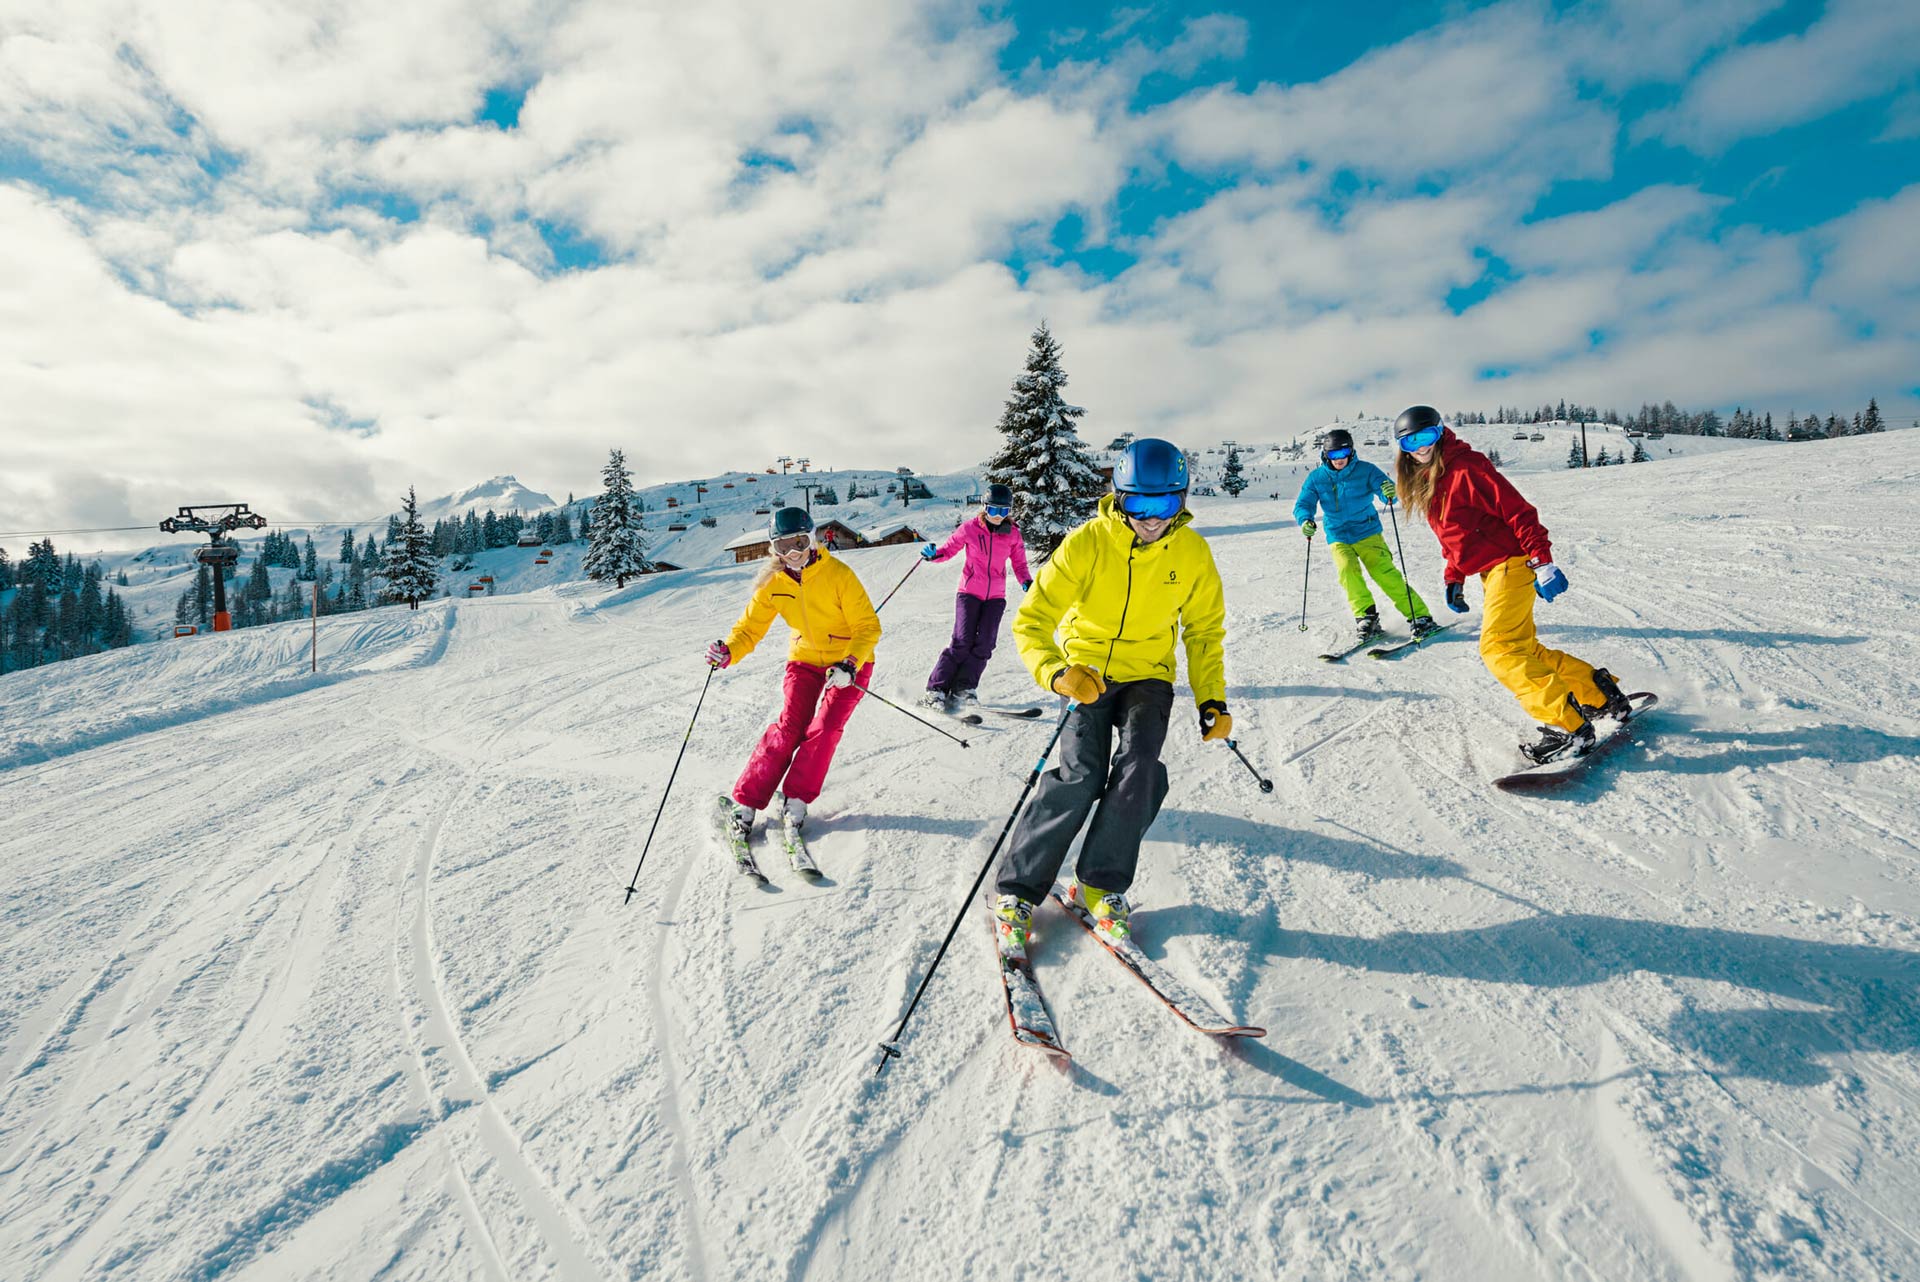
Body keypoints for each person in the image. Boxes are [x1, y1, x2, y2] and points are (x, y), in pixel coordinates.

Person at [991, 439, 1230, 958]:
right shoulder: (1087, 543)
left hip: (1149, 674)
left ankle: (1099, 884)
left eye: (1163, 505)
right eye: (1136, 505)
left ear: (1181, 501)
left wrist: (1212, 699)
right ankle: (1017, 891)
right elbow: (1032, 621)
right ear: (1118, 498)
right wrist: (1057, 673)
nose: (1149, 518)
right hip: (1086, 672)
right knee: (1080, 774)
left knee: (1140, 768)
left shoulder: (1192, 554)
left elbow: (1204, 631)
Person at [1391, 405, 1633, 763]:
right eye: (1412, 442)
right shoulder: (1430, 480)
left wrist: (1543, 561)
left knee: (1499, 648)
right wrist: (1454, 576)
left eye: (1427, 437)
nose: (1421, 448)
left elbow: (1518, 512)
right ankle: (1601, 696)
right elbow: (1453, 536)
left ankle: (1570, 726)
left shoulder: (1466, 468)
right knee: (1524, 648)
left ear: (1441, 433)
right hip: (1493, 569)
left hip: (1512, 563)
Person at [704, 507, 881, 843]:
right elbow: (749, 628)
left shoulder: (839, 575)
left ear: (813, 538)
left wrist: (851, 663)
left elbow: (867, 626)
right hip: (804, 659)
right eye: (783, 546)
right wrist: (729, 651)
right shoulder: (774, 582)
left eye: (799, 542)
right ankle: (746, 802)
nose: (794, 553)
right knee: (790, 727)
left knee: (825, 728)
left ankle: (795, 800)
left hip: (848, 664)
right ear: (774, 549)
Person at [1293, 428, 1436, 644]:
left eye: (1343, 454)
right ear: (1325, 455)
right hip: (1337, 534)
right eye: (1333, 456)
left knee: (1384, 573)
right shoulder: (1317, 478)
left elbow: (1386, 490)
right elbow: (1303, 504)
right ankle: (1366, 617)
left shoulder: (1366, 470)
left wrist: (1388, 492)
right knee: (1347, 571)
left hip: (1367, 531)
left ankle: (1420, 616)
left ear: (1351, 452)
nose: (1339, 460)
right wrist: (1305, 520)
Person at [917, 482, 1033, 713]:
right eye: (993, 510)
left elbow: (1019, 563)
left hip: (996, 596)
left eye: (1004, 511)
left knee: (985, 644)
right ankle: (936, 690)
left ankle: (964, 688)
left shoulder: (1012, 534)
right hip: (969, 593)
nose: (998, 516)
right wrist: (934, 555)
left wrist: (1026, 581)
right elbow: (949, 549)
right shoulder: (970, 529)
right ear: (984, 508)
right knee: (961, 642)